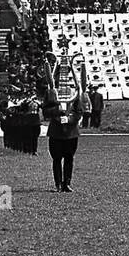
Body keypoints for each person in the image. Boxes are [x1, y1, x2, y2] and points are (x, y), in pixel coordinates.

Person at [41, 56, 81, 192]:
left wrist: (70, 119)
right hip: (56, 132)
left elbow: (79, 111)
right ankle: (58, 184)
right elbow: (45, 110)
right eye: (60, 73)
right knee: (57, 159)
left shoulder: (75, 92)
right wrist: (56, 111)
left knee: (69, 159)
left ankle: (67, 183)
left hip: (71, 133)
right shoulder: (51, 93)